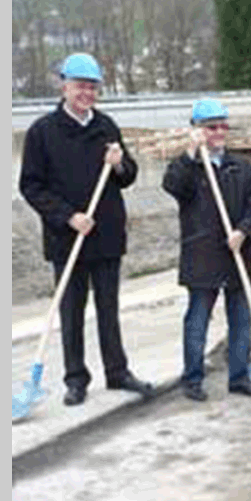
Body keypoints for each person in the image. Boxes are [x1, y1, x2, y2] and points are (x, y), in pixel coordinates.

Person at [19, 52, 154, 406]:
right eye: (80, 86)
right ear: (64, 86)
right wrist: (68, 216)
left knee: (109, 308)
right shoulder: (42, 132)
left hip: (106, 234)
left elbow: (128, 176)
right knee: (72, 312)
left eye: (92, 87)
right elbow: (31, 186)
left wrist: (120, 164)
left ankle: (117, 372)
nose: (86, 93)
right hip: (67, 239)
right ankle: (76, 379)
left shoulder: (106, 126)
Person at [161, 99, 251, 402]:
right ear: (197, 130)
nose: (219, 132)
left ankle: (240, 377)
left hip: (237, 256)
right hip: (202, 255)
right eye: (211, 127)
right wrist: (191, 153)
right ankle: (192, 378)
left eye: (223, 126)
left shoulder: (242, 168)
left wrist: (243, 232)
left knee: (241, 321)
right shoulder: (189, 168)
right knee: (197, 320)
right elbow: (172, 186)